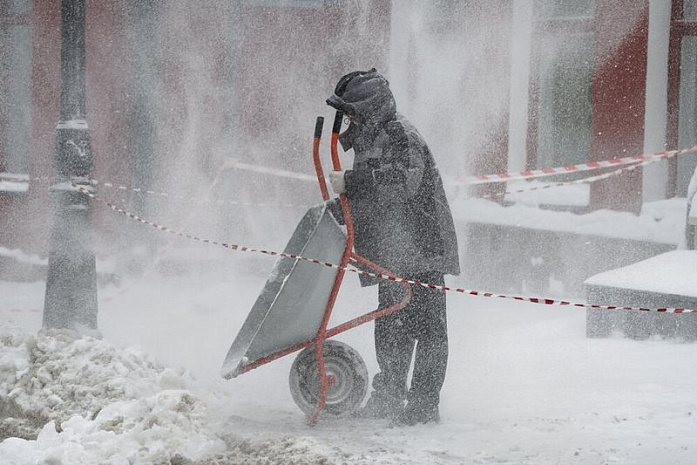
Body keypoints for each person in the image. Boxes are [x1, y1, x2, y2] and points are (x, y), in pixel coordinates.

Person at [325, 69, 460, 425]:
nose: (349, 118)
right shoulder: (370, 136)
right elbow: (377, 200)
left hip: (423, 248)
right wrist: (340, 209)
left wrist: (352, 183)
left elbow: (403, 184)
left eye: (352, 110)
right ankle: (389, 395)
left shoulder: (399, 135)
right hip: (394, 251)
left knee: (428, 329)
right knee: (392, 325)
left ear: (370, 107)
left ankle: (423, 405)